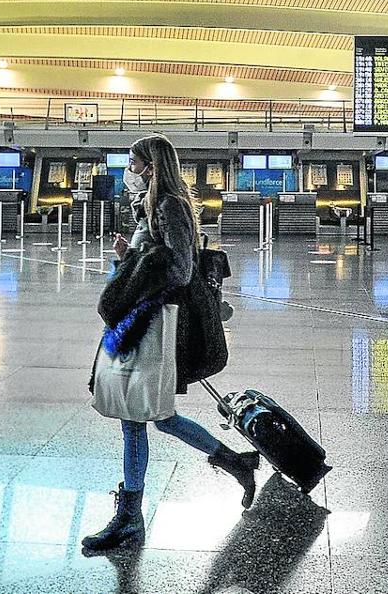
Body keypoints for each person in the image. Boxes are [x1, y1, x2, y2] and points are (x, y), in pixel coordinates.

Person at [82, 134, 259, 553]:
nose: (130, 169)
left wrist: (137, 261)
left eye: (134, 161)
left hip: (157, 321)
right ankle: (233, 462)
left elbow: (178, 269)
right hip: (145, 316)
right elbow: (157, 256)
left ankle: (130, 516)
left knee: (140, 414)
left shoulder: (170, 205)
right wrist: (131, 255)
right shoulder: (152, 205)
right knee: (149, 415)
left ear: (152, 165)